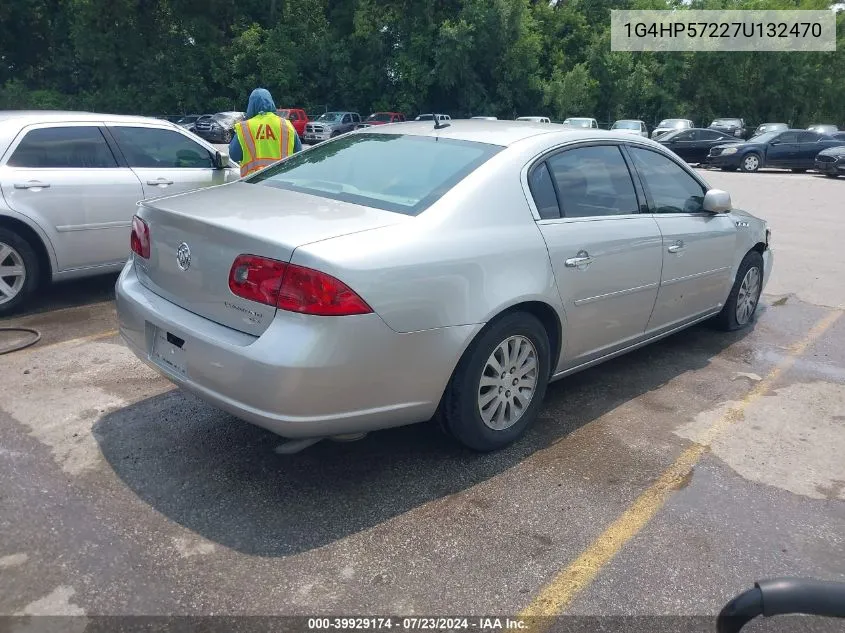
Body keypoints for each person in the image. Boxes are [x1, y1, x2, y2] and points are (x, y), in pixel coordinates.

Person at [228, 88, 301, 177]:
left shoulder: (244, 127)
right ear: (271, 102)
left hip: (254, 182)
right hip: (282, 182)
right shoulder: (287, 125)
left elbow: (234, 156)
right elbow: (299, 154)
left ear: (251, 105)